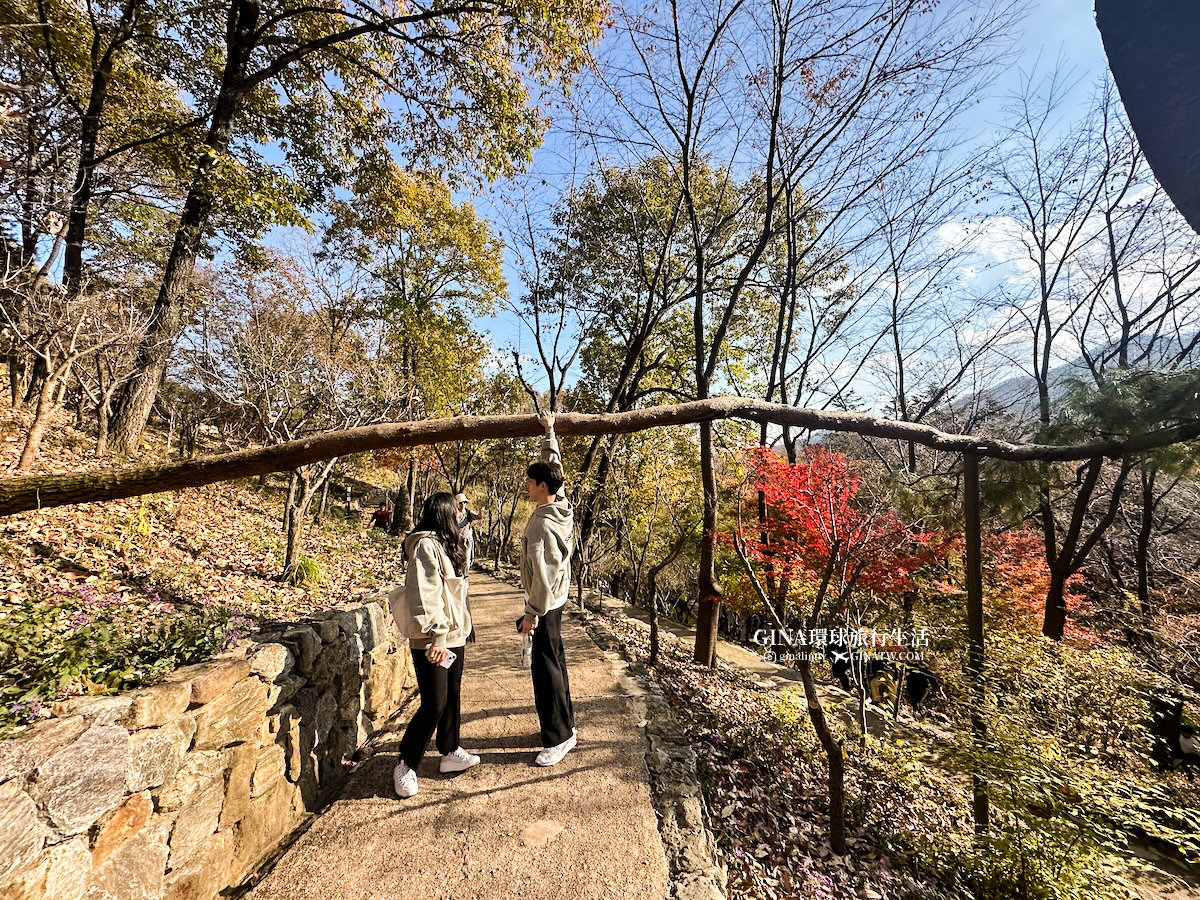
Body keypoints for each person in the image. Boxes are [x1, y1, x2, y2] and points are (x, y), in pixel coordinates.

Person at [388, 492, 479, 798]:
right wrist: (438, 637)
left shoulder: (444, 542)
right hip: (434, 639)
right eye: (457, 511)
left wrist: (464, 627)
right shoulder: (425, 545)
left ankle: (450, 750)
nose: (461, 515)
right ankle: (406, 763)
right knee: (434, 704)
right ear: (443, 514)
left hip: (453, 635)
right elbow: (425, 594)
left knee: (452, 696)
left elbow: (455, 591)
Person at [520, 413, 577, 767]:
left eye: (531, 481)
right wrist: (550, 432)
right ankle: (566, 727)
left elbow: (542, 575)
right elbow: (554, 465)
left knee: (546, 670)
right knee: (555, 663)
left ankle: (557, 738)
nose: (527, 485)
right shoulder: (562, 507)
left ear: (542, 486)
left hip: (544, 602)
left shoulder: (542, 524)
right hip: (556, 600)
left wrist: (531, 614)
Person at [455, 492, 475, 576]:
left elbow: (478, 517)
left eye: (464, 502)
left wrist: (481, 511)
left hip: (466, 540)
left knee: (466, 560)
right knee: (457, 560)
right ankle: (458, 578)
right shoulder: (453, 514)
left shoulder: (468, 513)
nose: (463, 504)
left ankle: (465, 578)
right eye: (460, 503)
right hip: (456, 540)